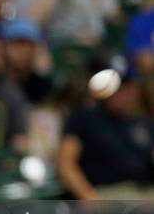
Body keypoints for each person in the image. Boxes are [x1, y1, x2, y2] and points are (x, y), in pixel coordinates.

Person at [57, 71, 154, 200]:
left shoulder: (143, 124)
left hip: (144, 193)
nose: (121, 93)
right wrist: (89, 198)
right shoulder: (84, 117)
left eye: (126, 87)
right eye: (116, 87)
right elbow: (65, 164)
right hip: (107, 195)